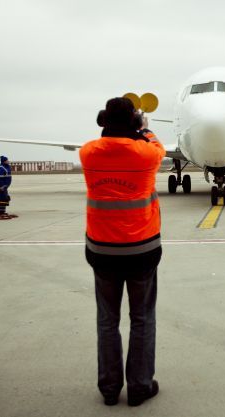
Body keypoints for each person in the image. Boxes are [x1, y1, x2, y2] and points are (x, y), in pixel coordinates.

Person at [79, 97, 165, 407]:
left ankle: (110, 388)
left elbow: (103, 142)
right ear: (133, 123)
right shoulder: (147, 155)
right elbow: (158, 146)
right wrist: (144, 127)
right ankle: (140, 386)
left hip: (102, 250)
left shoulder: (88, 152)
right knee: (142, 319)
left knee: (107, 320)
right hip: (142, 249)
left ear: (103, 121)